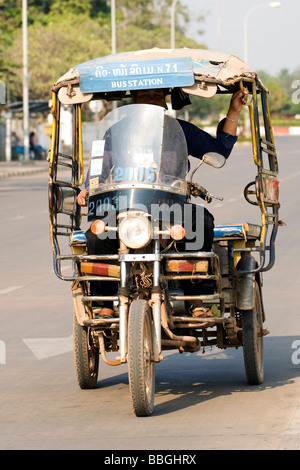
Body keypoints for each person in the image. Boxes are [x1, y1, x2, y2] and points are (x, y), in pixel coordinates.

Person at [77, 87, 248, 317]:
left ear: (164, 101)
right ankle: (104, 304)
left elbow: (220, 150)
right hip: (125, 207)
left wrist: (233, 111)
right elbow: (98, 171)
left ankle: (196, 300)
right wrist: (87, 189)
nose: (151, 100)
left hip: (169, 206)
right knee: (96, 235)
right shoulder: (114, 133)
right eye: (145, 96)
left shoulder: (180, 131)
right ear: (134, 100)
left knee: (201, 221)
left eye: (156, 95)